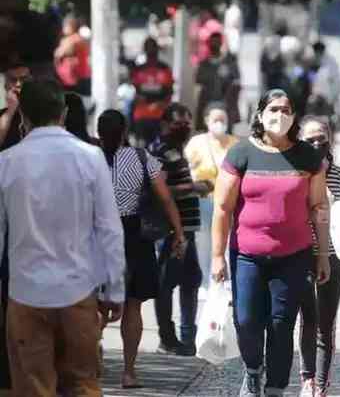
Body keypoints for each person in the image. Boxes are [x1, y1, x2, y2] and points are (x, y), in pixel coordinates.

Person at [0, 78, 124, 397]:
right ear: (64, 113)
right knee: (82, 384)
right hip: (78, 290)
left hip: (25, 293)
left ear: (23, 116)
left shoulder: (7, 163)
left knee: (32, 387)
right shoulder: (90, 157)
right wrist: (115, 289)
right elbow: (109, 228)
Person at [211, 89, 331, 397]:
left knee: (282, 324)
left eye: (287, 109)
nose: (280, 115)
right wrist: (217, 256)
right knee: (247, 320)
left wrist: (322, 256)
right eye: (274, 109)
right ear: (260, 114)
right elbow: (222, 208)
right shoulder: (241, 153)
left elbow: (319, 207)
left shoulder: (308, 156)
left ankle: (276, 387)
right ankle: (253, 370)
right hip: (247, 255)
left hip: (294, 256)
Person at [97, 109, 186, 389]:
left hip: (95, 233)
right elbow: (165, 197)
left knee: (94, 304)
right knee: (133, 304)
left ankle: (89, 366)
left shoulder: (88, 158)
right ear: (124, 131)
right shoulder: (141, 157)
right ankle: (129, 371)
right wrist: (179, 233)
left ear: (99, 132)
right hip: (134, 234)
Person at [297, 116, 340, 397]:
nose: (317, 143)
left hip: (333, 255)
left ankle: (321, 383)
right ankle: (306, 377)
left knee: (325, 321)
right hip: (301, 254)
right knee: (307, 317)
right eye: (310, 139)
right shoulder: (295, 173)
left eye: (322, 138)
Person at [149, 103, 209, 356]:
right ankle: (168, 337)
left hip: (187, 229)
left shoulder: (176, 150)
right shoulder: (159, 151)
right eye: (178, 123)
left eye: (187, 122)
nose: (184, 127)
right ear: (165, 124)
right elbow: (158, 191)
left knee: (190, 280)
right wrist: (193, 188)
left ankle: (187, 336)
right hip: (172, 231)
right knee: (166, 282)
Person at [184, 104, 239, 290]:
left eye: (223, 120)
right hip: (204, 200)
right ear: (207, 120)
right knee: (205, 242)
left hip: (229, 201)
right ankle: (206, 283)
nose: (219, 123)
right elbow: (186, 167)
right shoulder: (196, 143)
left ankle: (227, 281)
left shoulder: (235, 143)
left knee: (229, 239)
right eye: (215, 120)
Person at [131, 37, 174, 147]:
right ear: (144, 50)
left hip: (160, 115)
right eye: (148, 48)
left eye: (153, 48)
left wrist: (161, 104)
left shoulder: (165, 69)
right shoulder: (138, 70)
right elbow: (135, 92)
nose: (150, 51)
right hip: (142, 116)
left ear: (157, 49)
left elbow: (169, 92)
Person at [195, 32, 241, 131]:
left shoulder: (230, 63)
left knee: (227, 135)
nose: (214, 44)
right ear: (208, 44)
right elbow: (199, 87)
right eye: (212, 42)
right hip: (208, 106)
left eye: (217, 42)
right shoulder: (203, 65)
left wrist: (231, 104)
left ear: (221, 43)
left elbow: (236, 84)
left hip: (226, 106)